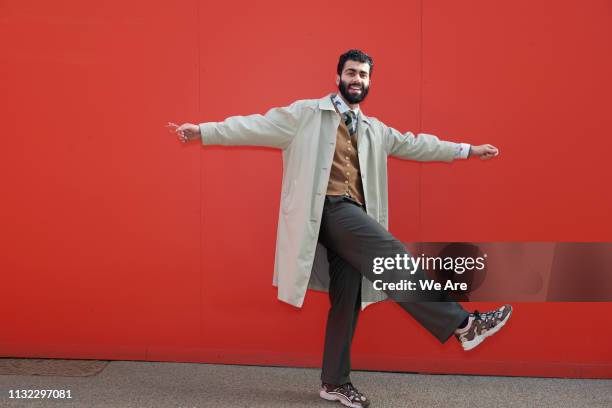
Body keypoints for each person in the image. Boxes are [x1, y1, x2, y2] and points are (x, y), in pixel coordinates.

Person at [167, 49, 512, 408]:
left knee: (346, 302)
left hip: (351, 218)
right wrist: (203, 131)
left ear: (369, 82)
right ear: (338, 77)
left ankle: (334, 382)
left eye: (363, 75)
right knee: (390, 255)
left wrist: (467, 149)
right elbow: (254, 125)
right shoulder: (305, 115)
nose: (356, 79)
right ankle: (462, 324)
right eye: (351, 73)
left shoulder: (375, 130)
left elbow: (417, 144)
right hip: (329, 211)